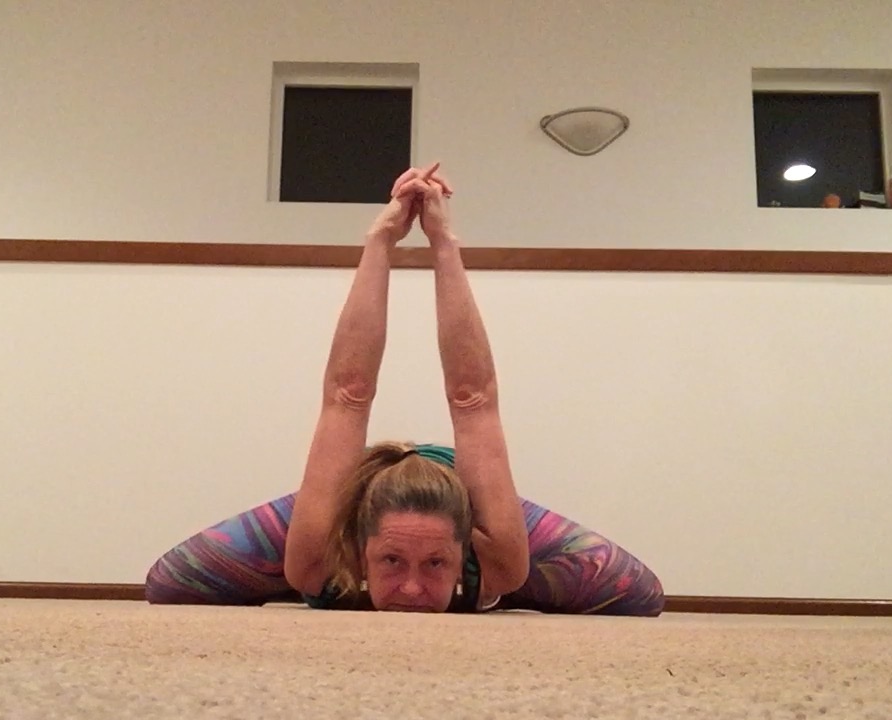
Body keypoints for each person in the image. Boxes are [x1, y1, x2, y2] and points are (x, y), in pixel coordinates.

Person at [145, 163, 665, 615]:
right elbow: (347, 395)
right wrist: (380, 240)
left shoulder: (499, 559)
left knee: (635, 594)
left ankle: (464, 574)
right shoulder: (317, 554)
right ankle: (358, 566)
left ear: (462, 555)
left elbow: (473, 401)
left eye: (436, 564)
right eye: (391, 561)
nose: (412, 590)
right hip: (356, 494)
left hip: (460, 496)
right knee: (175, 583)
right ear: (359, 550)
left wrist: (445, 243)